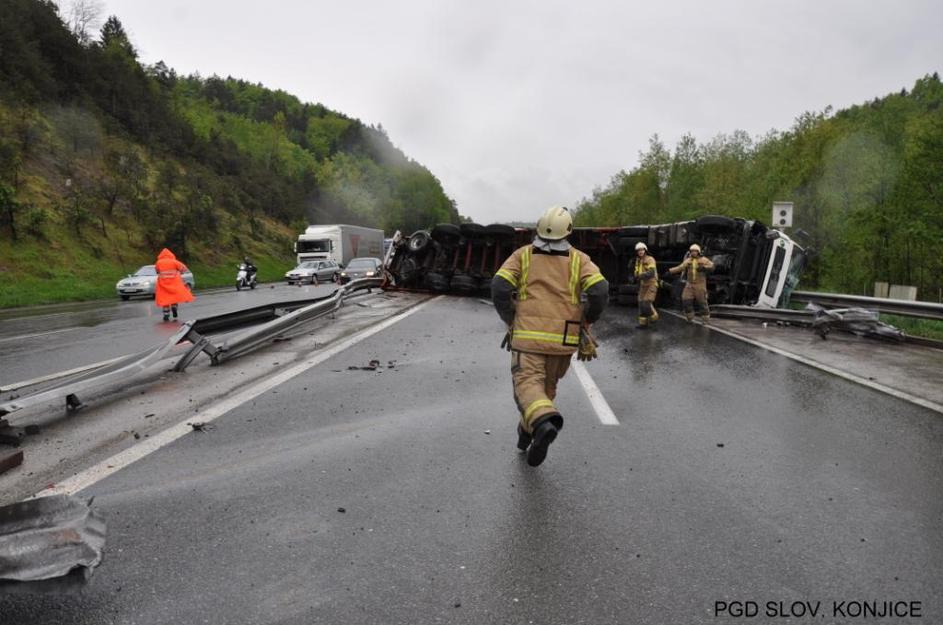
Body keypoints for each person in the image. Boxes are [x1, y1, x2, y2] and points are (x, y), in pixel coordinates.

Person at [491, 206, 609, 467]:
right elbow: (600, 290)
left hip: (527, 339)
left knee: (527, 387)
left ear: (538, 228)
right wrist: (587, 319)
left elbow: (499, 286)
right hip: (564, 341)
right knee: (543, 393)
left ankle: (544, 424)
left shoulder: (522, 256)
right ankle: (526, 434)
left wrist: (510, 317)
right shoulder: (580, 260)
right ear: (568, 231)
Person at [666, 243, 714, 323]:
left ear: (698, 252)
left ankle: (705, 318)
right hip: (690, 284)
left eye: (695, 251)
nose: (693, 253)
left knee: (702, 302)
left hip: (700, 284)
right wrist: (670, 271)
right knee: (686, 299)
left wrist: (704, 268)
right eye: (692, 251)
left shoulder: (704, 260)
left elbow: (712, 266)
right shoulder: (688, 261)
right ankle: (690, 317)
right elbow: (680, 268)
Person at [154, 248, 194, 321]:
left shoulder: (159, 262)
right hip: (174, 282)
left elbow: (157, 270)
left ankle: (166, 314)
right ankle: (174, 307)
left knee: (165, 299)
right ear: (170, 255)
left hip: (163, 283)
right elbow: (183, 268)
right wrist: (180, 272)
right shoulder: (174, 262)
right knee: (174, 297)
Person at [630, 241, 659, 329]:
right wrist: (633, 277)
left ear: (645, 250)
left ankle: (654, 317)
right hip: (643, 285)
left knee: (646, 302)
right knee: (641, 303)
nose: (640, 252)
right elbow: (636, 272)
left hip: (651, 284)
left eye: (642, 250)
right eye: (639, 250)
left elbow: (651, 272)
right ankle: (643, 324)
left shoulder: (650, 259)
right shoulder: (638, 261)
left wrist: (640, 276)